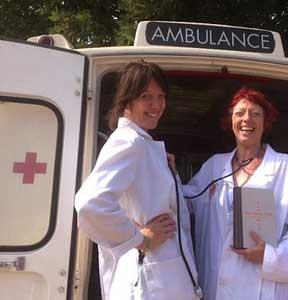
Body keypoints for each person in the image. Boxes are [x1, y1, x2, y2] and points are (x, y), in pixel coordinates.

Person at [180, 87, 288, 300]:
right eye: (240, 113)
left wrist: (271, 257)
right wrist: (165, 172)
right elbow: (185, 202)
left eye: (255, 114)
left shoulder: (285, 167)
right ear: (231, 122)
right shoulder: (214, 166)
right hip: (214, 287)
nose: (247, 119)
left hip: (264, 288)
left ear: (265, 123)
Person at [75, 61, 199, 300]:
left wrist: (167, 171)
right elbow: (90, 203)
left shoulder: (143, 144)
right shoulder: (129, 142)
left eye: (161, 96)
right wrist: (139, 238)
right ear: (127, 101)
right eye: (146, 96)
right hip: (147, 280)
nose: (157, 105)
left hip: (161, 278)